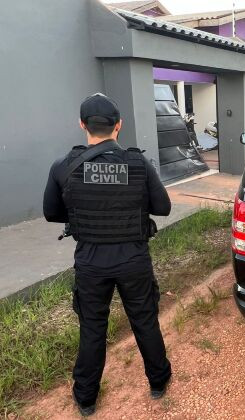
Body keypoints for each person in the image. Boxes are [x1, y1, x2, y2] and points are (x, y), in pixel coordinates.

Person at [43, 93, 172, 416]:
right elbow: (163, 208)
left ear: (82, 125)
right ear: (119, 126)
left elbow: (51, 213)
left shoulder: (64, 166)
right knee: (144, 321)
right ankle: (158, 382)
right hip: (133, 259)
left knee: (92, 328)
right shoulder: (138, 163)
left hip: (90, 262)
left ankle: (85, 399)